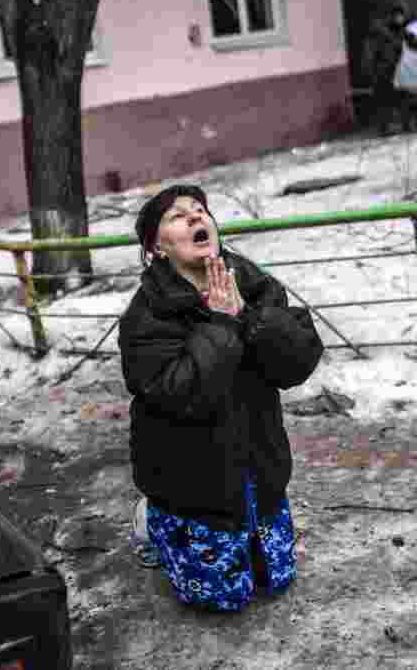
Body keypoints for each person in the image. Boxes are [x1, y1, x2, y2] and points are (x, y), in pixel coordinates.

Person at [119, 184, 324, 612]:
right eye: (177, 216)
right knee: (222, 600)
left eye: (200, 210)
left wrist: (248, 318)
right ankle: (152, 523)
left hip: (260, 472)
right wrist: (220, 324)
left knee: (277, 581)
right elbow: (181, 395)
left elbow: (299, 362)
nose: (196, 218)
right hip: (192, 487)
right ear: (156, 247)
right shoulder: (146, 317)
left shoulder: (253, 284)